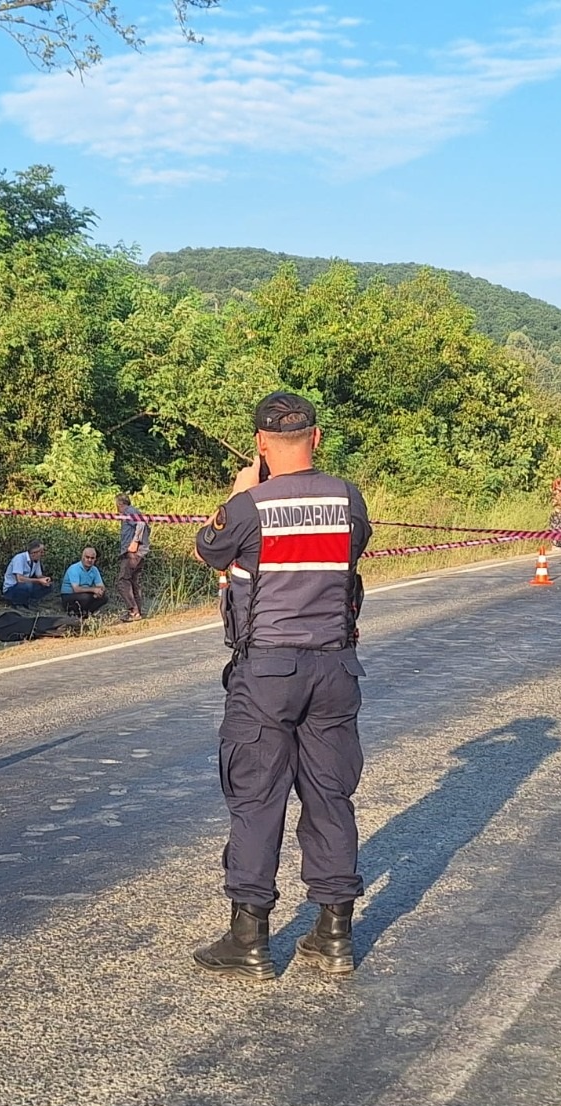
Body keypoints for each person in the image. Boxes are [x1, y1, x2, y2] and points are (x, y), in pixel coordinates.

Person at [192, 391, 372, 981]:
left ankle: (248, 939)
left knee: (257, 799)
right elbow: (352, 551)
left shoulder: (249, 506)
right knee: (330, 796)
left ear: (262, 446)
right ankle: (335, 935)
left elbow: (209, 549)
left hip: (267, 672)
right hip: (335, 669)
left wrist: (243, 489)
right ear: (316, 438)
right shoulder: (349, 499)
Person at [116, 493, 151, 622]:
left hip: (132, 553)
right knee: (133, 582)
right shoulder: (135, 511)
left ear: (120, 504)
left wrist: (135, 541)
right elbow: (147, 527)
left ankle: (133, 611)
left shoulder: (129, 511)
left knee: (123, 581)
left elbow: (141, 524)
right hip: (139, 553)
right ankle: (137, 612)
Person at [2, 541, 53, 606]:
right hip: (11, 589)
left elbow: (39, 575)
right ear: (34, 553)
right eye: (41, 552)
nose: (43, 554)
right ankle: (16, 603)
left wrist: (45, 579)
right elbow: (20, 579)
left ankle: (29, 602)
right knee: (27, 585)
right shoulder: (19, 558)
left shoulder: (36, 560)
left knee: (48, 586)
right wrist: (39, 581)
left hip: (24, 586)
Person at [60, 546, 108, 616]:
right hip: (69, 595)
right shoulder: (74, 568)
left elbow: (101, 586)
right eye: (87, 557)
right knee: (86, 598)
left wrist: (99, 592)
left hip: (85, 594)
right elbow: (76, 589)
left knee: (104, 597)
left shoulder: (94, 570)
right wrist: (94, 590)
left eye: (92, 558)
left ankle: (86, 612)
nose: (89, 560)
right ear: (82, 557)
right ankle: (74, 610)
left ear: (95, 559)